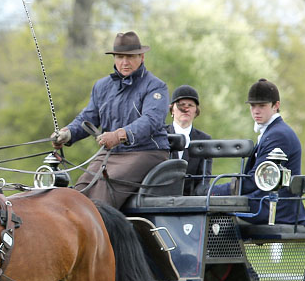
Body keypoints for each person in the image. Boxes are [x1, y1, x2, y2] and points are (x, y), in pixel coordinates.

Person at [50, 31, 170, 209]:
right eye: (120, 57)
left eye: (130, 57)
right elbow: (88, 117)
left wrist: (120, 135)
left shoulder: (155, 86)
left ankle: (102, 235)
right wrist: (67, 133)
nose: (125, 62)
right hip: (110, 154)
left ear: (142, 57)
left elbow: (151, 120)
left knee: (106, 186)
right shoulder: (102, 86)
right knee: (80, 189)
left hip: (147, 152)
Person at [211, 78, 305, 226]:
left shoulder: (278, 135)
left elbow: (256, 180)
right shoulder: (273, 131)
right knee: (217, 208)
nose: (256, 111)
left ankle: (210, 250)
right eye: (253, 106)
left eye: (262, 106)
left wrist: (213, 190)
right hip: (268, 202)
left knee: (212, 210)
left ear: (276, 105)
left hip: (276, 207)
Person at [167, 85, 213, 195]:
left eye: (190, 105)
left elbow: (204, 178)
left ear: (196, 111)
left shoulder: (204, 140)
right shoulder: (159, 135)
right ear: (172, 109)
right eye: (181, 105)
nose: (185, 109)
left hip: (190, 201)